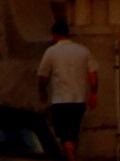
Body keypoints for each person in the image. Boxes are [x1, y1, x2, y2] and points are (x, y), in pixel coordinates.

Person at [38, 14, 100, 150]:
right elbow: (93, 73)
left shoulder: (51, 52)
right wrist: (93, 93)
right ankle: (72, 160)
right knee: (73, 133)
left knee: (64, 135)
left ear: (54, 34)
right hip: (79, 99)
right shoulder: (83, 51)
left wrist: (42, 90)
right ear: (68, 33)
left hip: (60, 99)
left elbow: (44, 75)